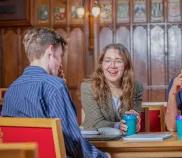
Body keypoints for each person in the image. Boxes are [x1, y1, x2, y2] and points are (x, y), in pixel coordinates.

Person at [1, 27, 109, 158]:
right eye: (60, 56)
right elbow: (73, 142)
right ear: (51, 50)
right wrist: (102, 156)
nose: (60, 63)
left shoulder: (12, 89)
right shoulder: (55, 86)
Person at [81, 43, 143, 134]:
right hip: (95, 142)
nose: (113, 66)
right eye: (107, 60)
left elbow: (134, 120)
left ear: (126, 65)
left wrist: (136, 122)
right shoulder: (88, 87)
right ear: (101, 65)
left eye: (118, 61)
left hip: (125, 142)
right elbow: (95, 123)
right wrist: (118, 125)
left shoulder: (136, 87)